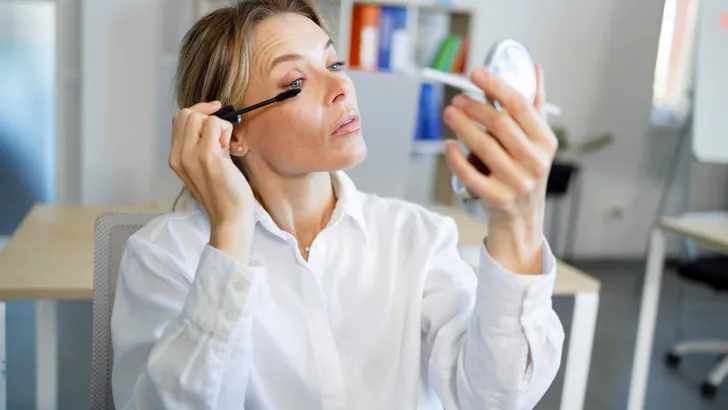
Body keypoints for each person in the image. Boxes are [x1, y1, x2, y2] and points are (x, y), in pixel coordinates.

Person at [110, 0, 564, 408]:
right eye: (296, 81)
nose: (342, 86)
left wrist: (516, 222)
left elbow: (496, 399)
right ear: (233, 131)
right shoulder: (166, 256)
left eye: (335, 62)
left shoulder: (417, 239)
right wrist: (230, 230)